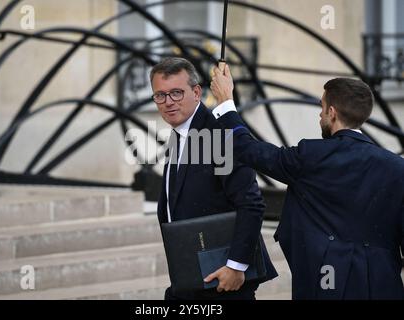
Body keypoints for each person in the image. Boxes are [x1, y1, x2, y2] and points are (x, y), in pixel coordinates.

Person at [210, 64, 404, 300]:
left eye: (322, 108)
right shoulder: (397, 166)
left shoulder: (311, 156)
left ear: (332, 112)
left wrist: (225, 102)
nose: (320, 115)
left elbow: (249, 149)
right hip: (385, 286)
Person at [151, 57, 277, 300]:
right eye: (160, 95)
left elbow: (251, 203)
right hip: (191, 276)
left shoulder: (219, 132)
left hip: (223, 281)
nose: (168, 102)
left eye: (177, 93)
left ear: (197, 92)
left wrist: (236, 266)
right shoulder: (181, 131)